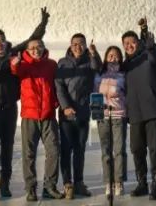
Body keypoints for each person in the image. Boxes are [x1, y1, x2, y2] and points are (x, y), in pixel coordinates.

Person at [0, 8, 49, 201]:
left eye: (2, 40)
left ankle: (5, 181)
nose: (0, 44)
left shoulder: (13, 54)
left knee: (8, 147)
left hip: (10, 109)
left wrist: (43, 23)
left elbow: (32, 39)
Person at [11, 35, 63, 201]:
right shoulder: (24, 65)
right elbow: (16, 70)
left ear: (44, 47)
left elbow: (58, 84)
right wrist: (15, 63)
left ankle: (50, 186)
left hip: (48, 116)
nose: (36, 50)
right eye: (32, 48)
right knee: (29, 154)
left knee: (53, 151)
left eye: (39, 46)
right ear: (27, 50)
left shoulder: (51, 65)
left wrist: (55, 102)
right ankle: (31, 188)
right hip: (30, 116)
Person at [123, 18, 156, 200]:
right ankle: (142, 183)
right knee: (136, 149)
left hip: (153, 112)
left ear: (139, 43)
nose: (129, 45)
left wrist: (149, 41)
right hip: (135, 115)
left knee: (155, 149)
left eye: (132, 42)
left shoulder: (148, 56)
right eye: (125, 43)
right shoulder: (126, 65)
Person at [55, 34, 101, 199]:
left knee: (80, 149)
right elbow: (59, 86)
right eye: (75, 44)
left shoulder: (89, 61)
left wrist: (94, 53)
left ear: (85, 45)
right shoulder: (62, 63)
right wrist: (65, 106)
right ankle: (68, 183)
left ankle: (79, 182)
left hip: (82, 112)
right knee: (66, 149)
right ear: (70, 44)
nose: (77, 47)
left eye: (81, 44)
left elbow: (98, 67)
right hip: (66, 115)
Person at [95, 45, 128, 196]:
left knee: (119, 151)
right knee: (106, 152)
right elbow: (94, 93)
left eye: (116, 56)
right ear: (106, 57)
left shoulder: (123, 75)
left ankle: (119, 181)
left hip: (118, 116)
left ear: (120, 58)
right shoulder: (99, 74)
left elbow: (127, 94)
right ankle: (108, 182)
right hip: (103, 117)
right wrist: (96, 112)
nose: (113, 58)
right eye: (110, 55)